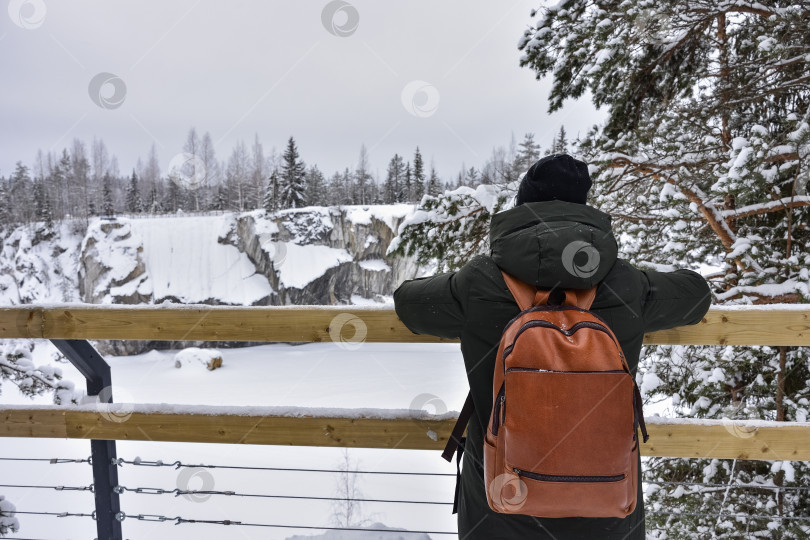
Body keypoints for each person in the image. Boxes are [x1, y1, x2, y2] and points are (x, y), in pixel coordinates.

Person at [393, 154, 712, 539]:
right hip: (605, 500)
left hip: (501, 499)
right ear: (585, 210)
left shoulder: (479, 282)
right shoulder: (626, 283)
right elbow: (696, 295)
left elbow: (407, 302)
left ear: (522, 208)